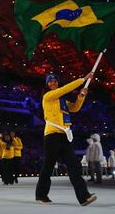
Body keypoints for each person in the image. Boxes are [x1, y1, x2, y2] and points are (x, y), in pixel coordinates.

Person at [35, 72, 97, 206]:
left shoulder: (62, 101)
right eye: (50, 81)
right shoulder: (48, 96)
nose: (53, 83)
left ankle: (84, 196)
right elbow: (65, 89)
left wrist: (81, 96)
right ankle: (41, 195)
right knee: (48, 166)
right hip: (51, 135)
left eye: (55, 81)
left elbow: (74, 108)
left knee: (73, 166)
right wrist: (83, 79)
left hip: (65, 135)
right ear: (47, 84)